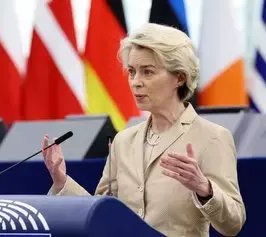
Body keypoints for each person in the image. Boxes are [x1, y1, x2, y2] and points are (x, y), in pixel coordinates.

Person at [41, 23, 246, 236]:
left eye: (148, 72)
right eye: (132, 72)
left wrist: (205, 188)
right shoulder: (123, 141)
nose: (135, 82)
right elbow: (102, 214)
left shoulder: (212, 137)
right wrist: (61, 181)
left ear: (179, 77)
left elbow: (233, 224)